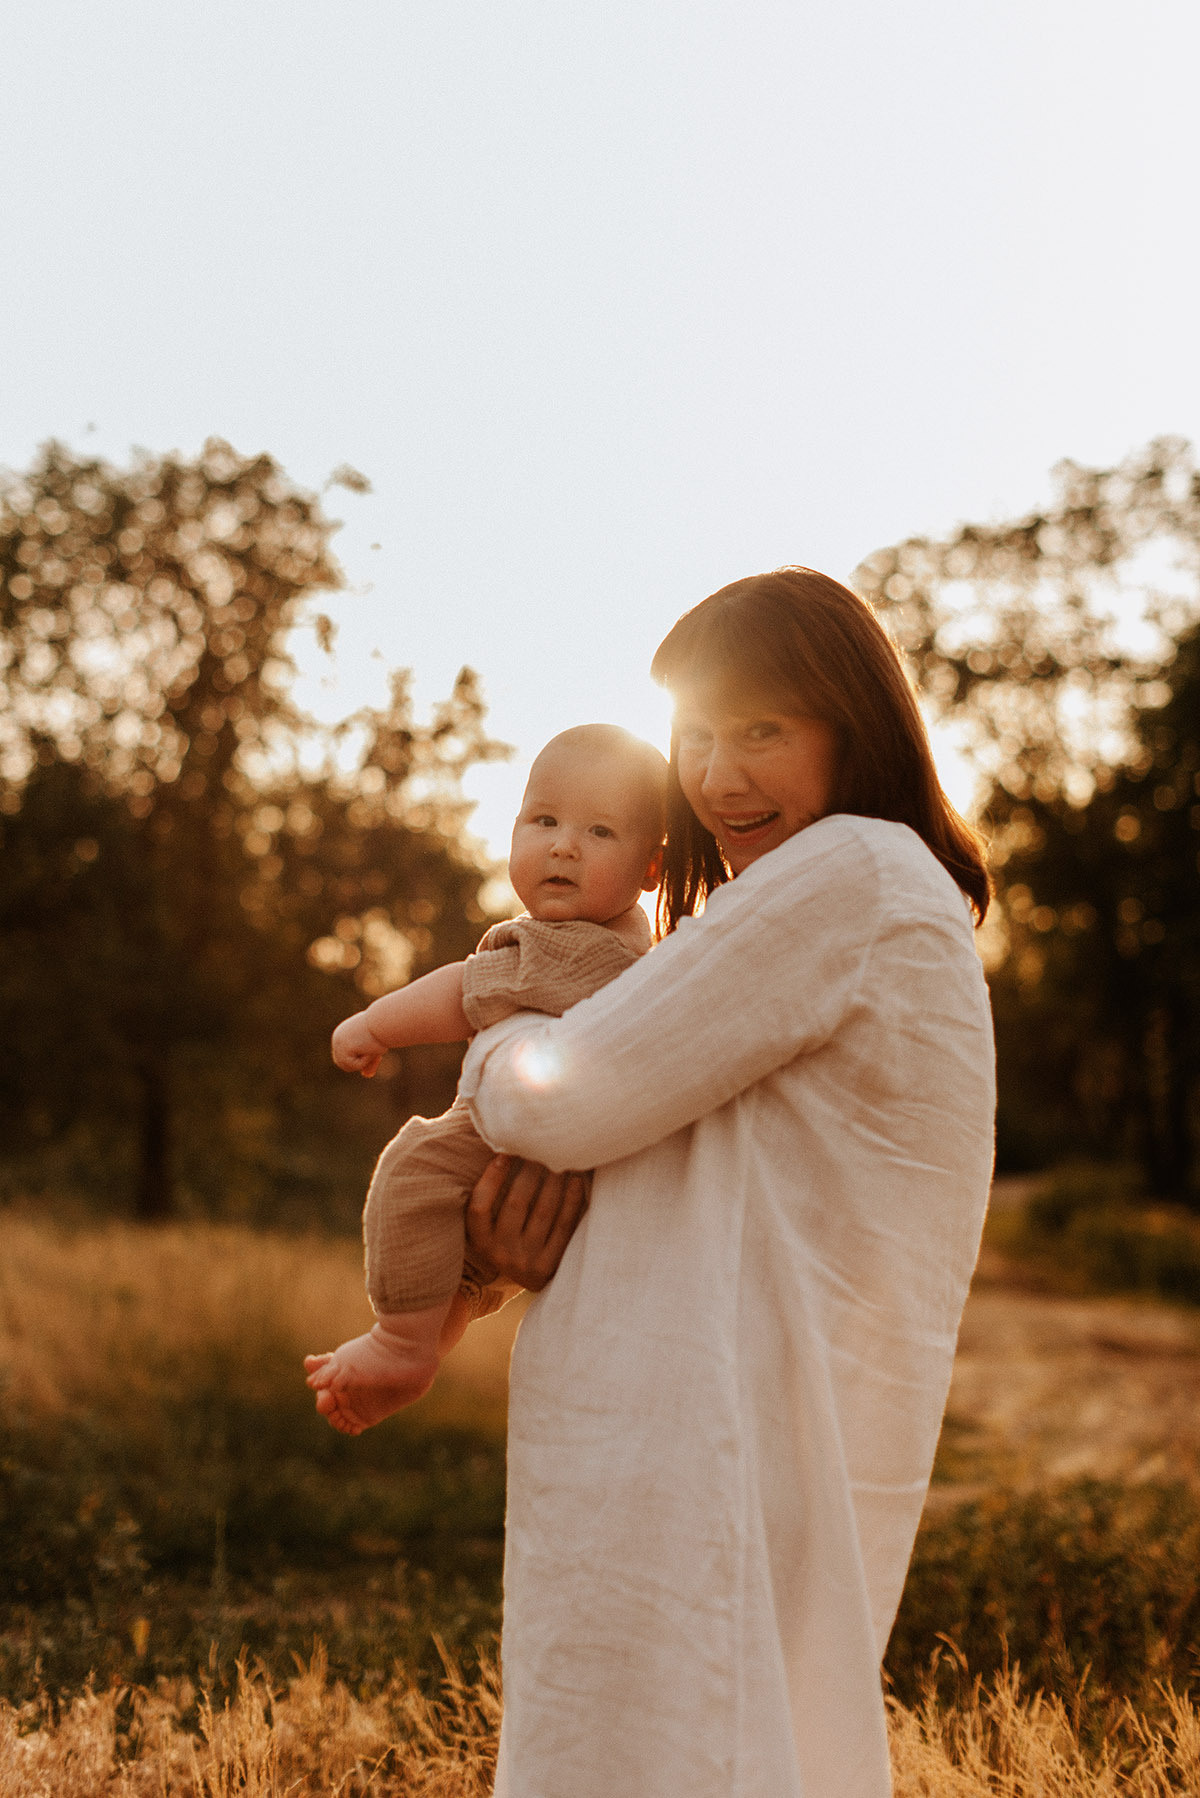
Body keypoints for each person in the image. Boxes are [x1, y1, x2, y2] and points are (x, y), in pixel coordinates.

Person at [453, 568, 997, 1798]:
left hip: (712, 1436)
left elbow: (569, 1095)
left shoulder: (852, 870)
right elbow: (686, 1132)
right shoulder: (839, 893)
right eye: (698, 734)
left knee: (689, 1748)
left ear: (853, 726)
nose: (720, 775)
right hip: (695, 1424)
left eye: (764, 730)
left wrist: (488, 1042)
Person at [304, 723, 666, 1435]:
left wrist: (375, 1025)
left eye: (599, 831)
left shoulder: (571, 948)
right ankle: (419, 1355)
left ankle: (401, 1343)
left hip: (513, 1144)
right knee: (460, 1269)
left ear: (651, 870)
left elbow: (463, 990)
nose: (563, 845)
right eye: (544, 820)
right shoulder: (634, 945)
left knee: (413, 1169)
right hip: (570, 1171)